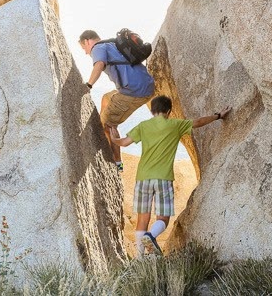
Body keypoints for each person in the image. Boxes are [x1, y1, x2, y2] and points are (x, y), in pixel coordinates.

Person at [111, 95, 231, 256]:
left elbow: (124, 143)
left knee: (142, 218)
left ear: (152, 110)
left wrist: (114, 138)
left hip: (143, 178)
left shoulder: (143, 126)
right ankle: (151, 236)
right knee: (163, 218)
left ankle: (140, 259)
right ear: (169, 111)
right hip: (163, 178)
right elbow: (198, 122)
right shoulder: (175, 125)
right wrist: (218, 116)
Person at [79, 30, 155, 172]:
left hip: (133, 92)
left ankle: (117, 162)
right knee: (106, 98)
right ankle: (104, 119)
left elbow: (99, 64)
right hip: (146, 84)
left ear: (88, 41)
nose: (85, 52)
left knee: (109, 124)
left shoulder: (97, 48)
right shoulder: (113, 43)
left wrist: (88, 85)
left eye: (84, 48)